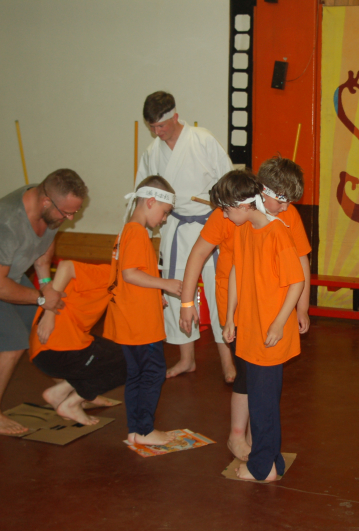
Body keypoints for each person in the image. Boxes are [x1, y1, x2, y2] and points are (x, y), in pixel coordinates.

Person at [178, 157, 311, 461]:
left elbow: (300, 260)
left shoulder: (284, 216)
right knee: (248, 375)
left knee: (265, 379)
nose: (285, 208)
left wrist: (302, 307)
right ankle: (238, 436)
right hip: (238, 306)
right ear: (261, 192)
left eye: (289, 202)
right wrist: (187, 302)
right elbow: (199, 253)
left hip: (272, 307)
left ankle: (258, 443)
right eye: (281, 200)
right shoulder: (231, 211)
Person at [0, 169, 86, 435]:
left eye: (74, 212)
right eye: (67, 213)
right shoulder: (2, 222)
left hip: (8, 272)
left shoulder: (50, 208)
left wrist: (45, 285)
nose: (70, 218)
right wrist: (41, 298)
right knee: (11, 344)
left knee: (41, 327)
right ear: (46, 201)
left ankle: (65, 391)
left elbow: (44, 248)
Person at [212, 172, 305, 482]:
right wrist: (229, 316)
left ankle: (262, 468)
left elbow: (296, 282)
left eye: (226, 210)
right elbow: (236, 271)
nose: (225, 216)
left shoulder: (277, 233)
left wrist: (278, 323)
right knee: (259, 398)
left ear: (244, 205)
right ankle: (272, 461)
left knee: (264, 404)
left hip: (269, 333)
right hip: (250, 328)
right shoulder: (244, 229)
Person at [135, 91, 234, 381]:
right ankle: (186, 358)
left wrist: (224, 206)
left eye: (161, 125)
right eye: (152, 127)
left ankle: (227, 361)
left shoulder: (202, 140)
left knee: (217, 291)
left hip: (209, 224)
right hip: (175, 226)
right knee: (176, 290)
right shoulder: (152, 153)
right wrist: (139, 232)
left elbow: (228, 179)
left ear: (175, 117)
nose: (157, 132)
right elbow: (143, 196)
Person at [103, 175, 183, 446]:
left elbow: (130, 277)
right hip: (140, 323)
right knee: (153, 372)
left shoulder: (127, 231)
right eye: (165, 212)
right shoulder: (137, 233)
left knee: (136, 375)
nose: (164, 219)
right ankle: (145, 431)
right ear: (151, 202)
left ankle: (136, 430)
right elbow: (130, 273)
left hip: (129, 318)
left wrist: (154, 294)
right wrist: (165, 284)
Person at [29, 260, 127, 426]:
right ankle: (72, 403)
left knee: (109, 352)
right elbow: (66, 266)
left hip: (44, 353)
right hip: (59, 351)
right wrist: (50, 312)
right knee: (133, 361)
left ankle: (58, 393)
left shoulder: (120, 284)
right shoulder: (110, 273)